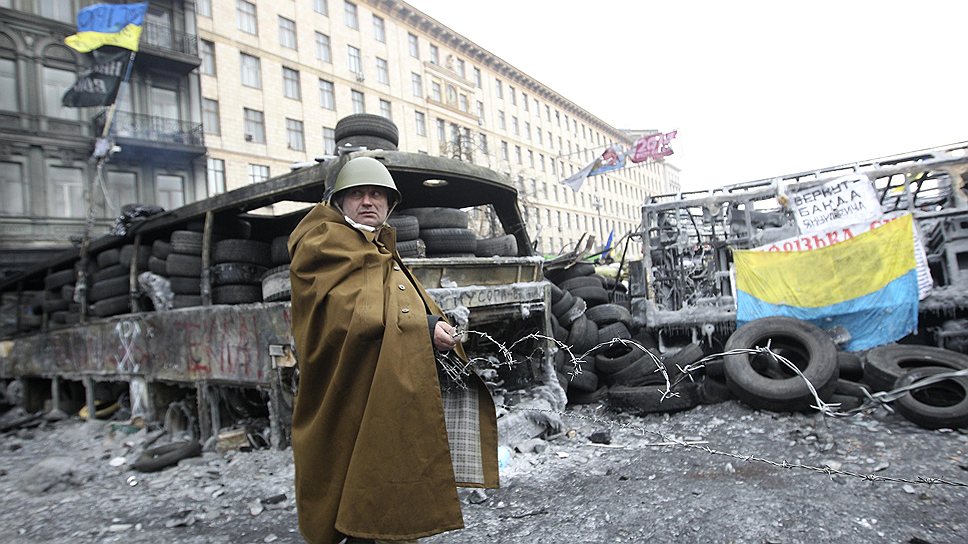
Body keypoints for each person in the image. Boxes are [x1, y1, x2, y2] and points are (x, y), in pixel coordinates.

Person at [287, 156, 500, 544]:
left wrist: (433, 320)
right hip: (345, 386)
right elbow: (347, 311)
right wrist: (424, 328)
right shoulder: (323, 243)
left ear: (389, 204)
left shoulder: (374, 246)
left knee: (382, 467)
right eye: (357, 194)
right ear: (338, 201)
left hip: (379, 382)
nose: (368, 202)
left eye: (377, 195)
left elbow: (391, 300)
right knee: (348, 471)